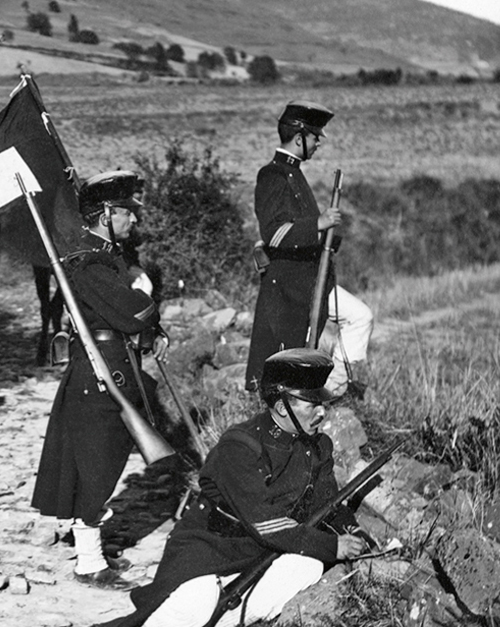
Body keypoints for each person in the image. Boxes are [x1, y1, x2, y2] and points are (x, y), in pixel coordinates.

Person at [117, 348, 368, 627]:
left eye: (322, 404)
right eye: (312, 405)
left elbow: (327, 504)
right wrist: (334, 546)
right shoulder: (240, 447)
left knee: (307, 567)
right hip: (210, 550)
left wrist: (353, 532)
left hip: (262, 551)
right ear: (283, 408)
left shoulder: (318, 447)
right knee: (196, 604)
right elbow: (268, 525)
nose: (322, 413)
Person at [31, 170, 163, 591]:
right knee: (97, 465)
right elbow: (132, 311)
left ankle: (94, 549)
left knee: (105, 459)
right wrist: (147, 299)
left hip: (113, 362)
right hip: (101, 370)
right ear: (106, 214)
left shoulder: (104, 257)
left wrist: (149, 325)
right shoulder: (88, 262)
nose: (134, 221)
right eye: (127, 213)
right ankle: (88, 562)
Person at [245, 100, 341, 393]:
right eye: (314, 137)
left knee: (359, 317)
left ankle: (335, 386)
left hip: (307, 280)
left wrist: (329, 236)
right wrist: (317, 224)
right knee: (287, 368)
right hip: (289, 285)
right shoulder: (273, 174)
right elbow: (273, 233)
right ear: (299, 137)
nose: (318, 144)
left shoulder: (294, 173)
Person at [322, 285, 373, 398]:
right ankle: (326, 393)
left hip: (316, 279)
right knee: (360, 318)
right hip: (291, 280)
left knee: (361, 317)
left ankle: (329, 391)